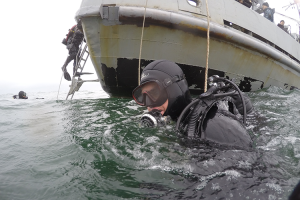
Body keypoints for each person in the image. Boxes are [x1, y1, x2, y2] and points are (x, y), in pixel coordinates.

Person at [132, 60, 253, 148]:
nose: (149, 104)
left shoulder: (211, 123)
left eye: (154, 93)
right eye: (142, 96)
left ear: (173, 90)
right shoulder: (182, 123)